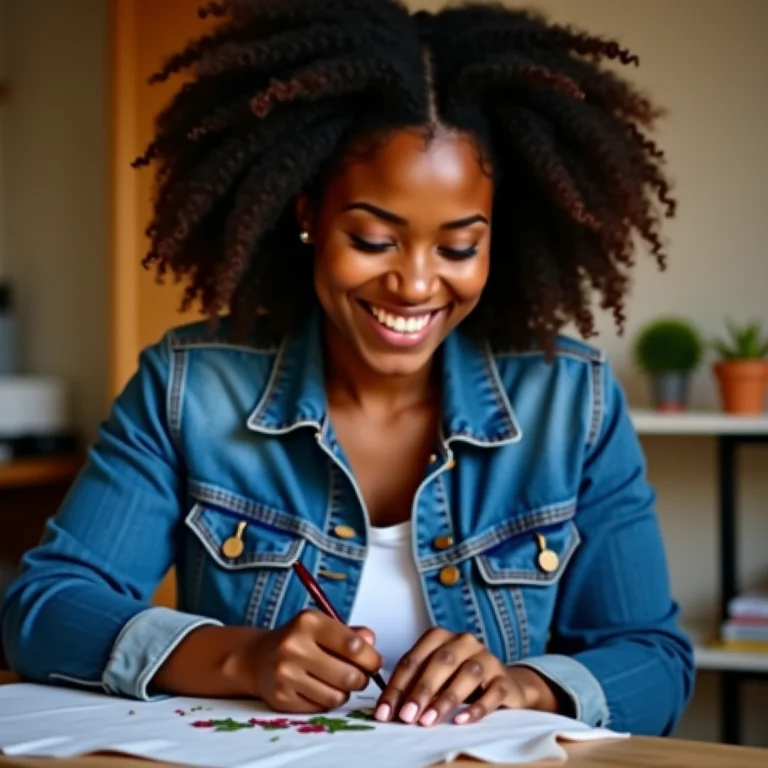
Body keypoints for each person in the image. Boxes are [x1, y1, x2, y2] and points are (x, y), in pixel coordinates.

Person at [1, 0, 694, 736]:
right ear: (309, 215)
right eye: (372, 239)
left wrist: (524, 687)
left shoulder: (572, 401)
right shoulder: (190, 388)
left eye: (458, 248)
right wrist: (241, 657)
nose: (416, 284)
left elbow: (654, 660)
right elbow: (45, 608)